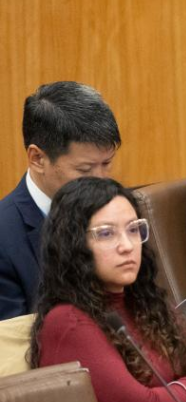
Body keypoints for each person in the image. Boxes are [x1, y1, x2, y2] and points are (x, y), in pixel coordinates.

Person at [29, 177, 186, 402]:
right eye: (106, 233)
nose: (127, 246)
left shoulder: (148, 302)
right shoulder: (68, 322)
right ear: (75, 245)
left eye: (133, 229)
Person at [0, 81, 121, 320]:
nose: (101, 182)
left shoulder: (118, 213)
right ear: (37, 158)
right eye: (84, 169)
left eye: (106, 164)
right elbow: (12, 348)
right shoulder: (4, 238)